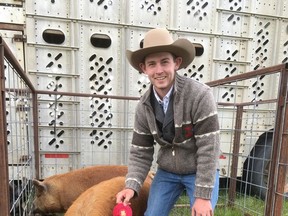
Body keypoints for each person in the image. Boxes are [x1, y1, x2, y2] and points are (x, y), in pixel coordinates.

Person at [116, 28, 220, 216]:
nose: (159, 70)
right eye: (152, 64)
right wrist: (131, 186)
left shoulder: (199, 95)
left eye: (165, 62)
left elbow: (209, 148)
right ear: (144, 68)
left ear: (176, 63)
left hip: (198, 170)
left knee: (202, 213)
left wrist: (203, 196)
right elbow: (141, 152)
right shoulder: (144, 105)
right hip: (167, 172)